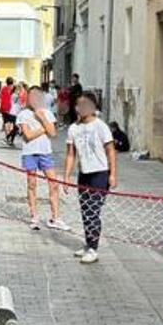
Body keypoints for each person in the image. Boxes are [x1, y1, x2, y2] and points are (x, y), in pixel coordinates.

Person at [63, 92, 116, 264]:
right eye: (79, 104)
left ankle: (94, 248)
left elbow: (110, 150)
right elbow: (71, 155)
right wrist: (66, 177)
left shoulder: (101, 126)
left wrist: (113, 174)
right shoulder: (73, 129)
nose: (82, 108)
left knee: (93, 211)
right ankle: (88, 243)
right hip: (84, 174)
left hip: (100, 173)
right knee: (85, 210)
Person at [16, 86, 71, 232]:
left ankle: (55, 217)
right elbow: (27, 136)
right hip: (29, 153)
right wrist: (43, 128)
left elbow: (53, 133)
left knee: (53, 184)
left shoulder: (47, 113)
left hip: (45, 152)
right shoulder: (23, 114)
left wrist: (42, 119)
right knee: (32, 184)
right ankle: (34, 216)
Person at [0, 77, 16, 145]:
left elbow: (0, 97)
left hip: (4, 108)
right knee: (11, 123)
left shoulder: (3, 88)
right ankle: (10, 138)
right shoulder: (13, 89)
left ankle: (7, 137)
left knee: (6, 123)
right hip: (11, 108)